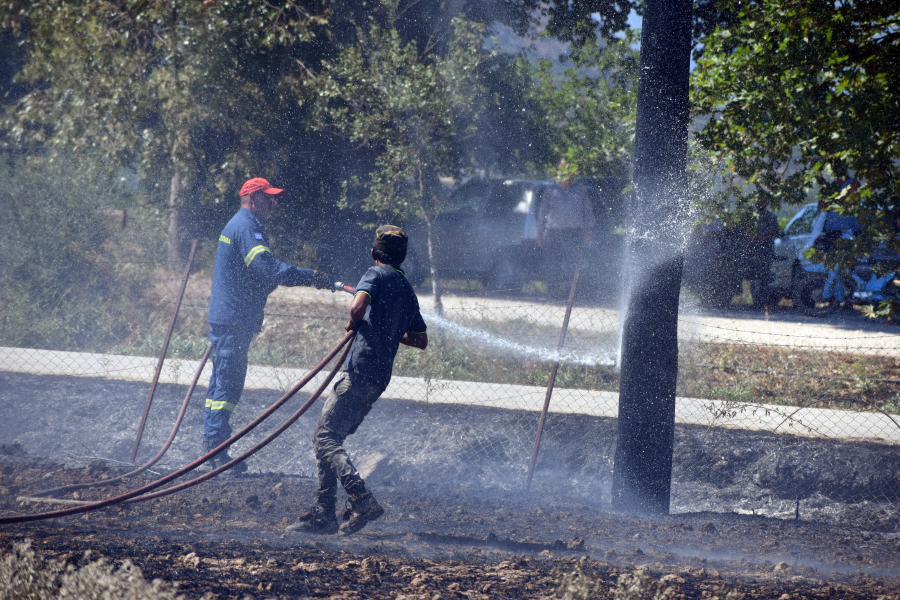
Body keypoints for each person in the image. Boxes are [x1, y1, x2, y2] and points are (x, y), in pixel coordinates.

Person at [287, 225, 428, 535]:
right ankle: (324, 513)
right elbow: (420, 339)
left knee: (324, 439)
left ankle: (361, 499)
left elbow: (357, 305)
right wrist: (389, 331)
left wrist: (355, 322)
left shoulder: (375, 275)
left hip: (360, 371)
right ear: (403, 257)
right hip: (378, 380)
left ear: (374, 253)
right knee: (329, 437)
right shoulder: (406, 288)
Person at [202, 177, 333, 471]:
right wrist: (309, 276)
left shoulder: (243, 225)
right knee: (226, 387)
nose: (273, 204)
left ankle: (215, 447)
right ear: (252, 199)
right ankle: (215, 452)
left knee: (224, 385)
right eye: (268, 198)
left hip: (232, 320)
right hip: (233, 320)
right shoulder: (246, 227)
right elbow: (266, 269)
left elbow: (257, 276)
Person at [536, 159, 596, 296]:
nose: (564, 172)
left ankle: (572, 296)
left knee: (573, 266)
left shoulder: (580, 190)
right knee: (552, 266)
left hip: (573, 234)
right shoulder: (550, 190)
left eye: (567, 169)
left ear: (572, 172)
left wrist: (589, 229)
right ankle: (553, 296)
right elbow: (542, 212)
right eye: (562, 169)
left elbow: (587, 211)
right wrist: (539, 232)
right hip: (553, 234)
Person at [746, 199, 779, 309]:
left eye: (763, 202)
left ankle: (764, 300)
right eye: (759, 202)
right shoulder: (752, 216)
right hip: (753, 250)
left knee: (764, 275)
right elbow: (746, 231)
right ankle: (756, 300)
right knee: (754, 275)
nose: (760, 204)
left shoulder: (770, 216)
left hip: (766, 250)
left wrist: (759, 238)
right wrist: (752, 238)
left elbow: (771, 232)